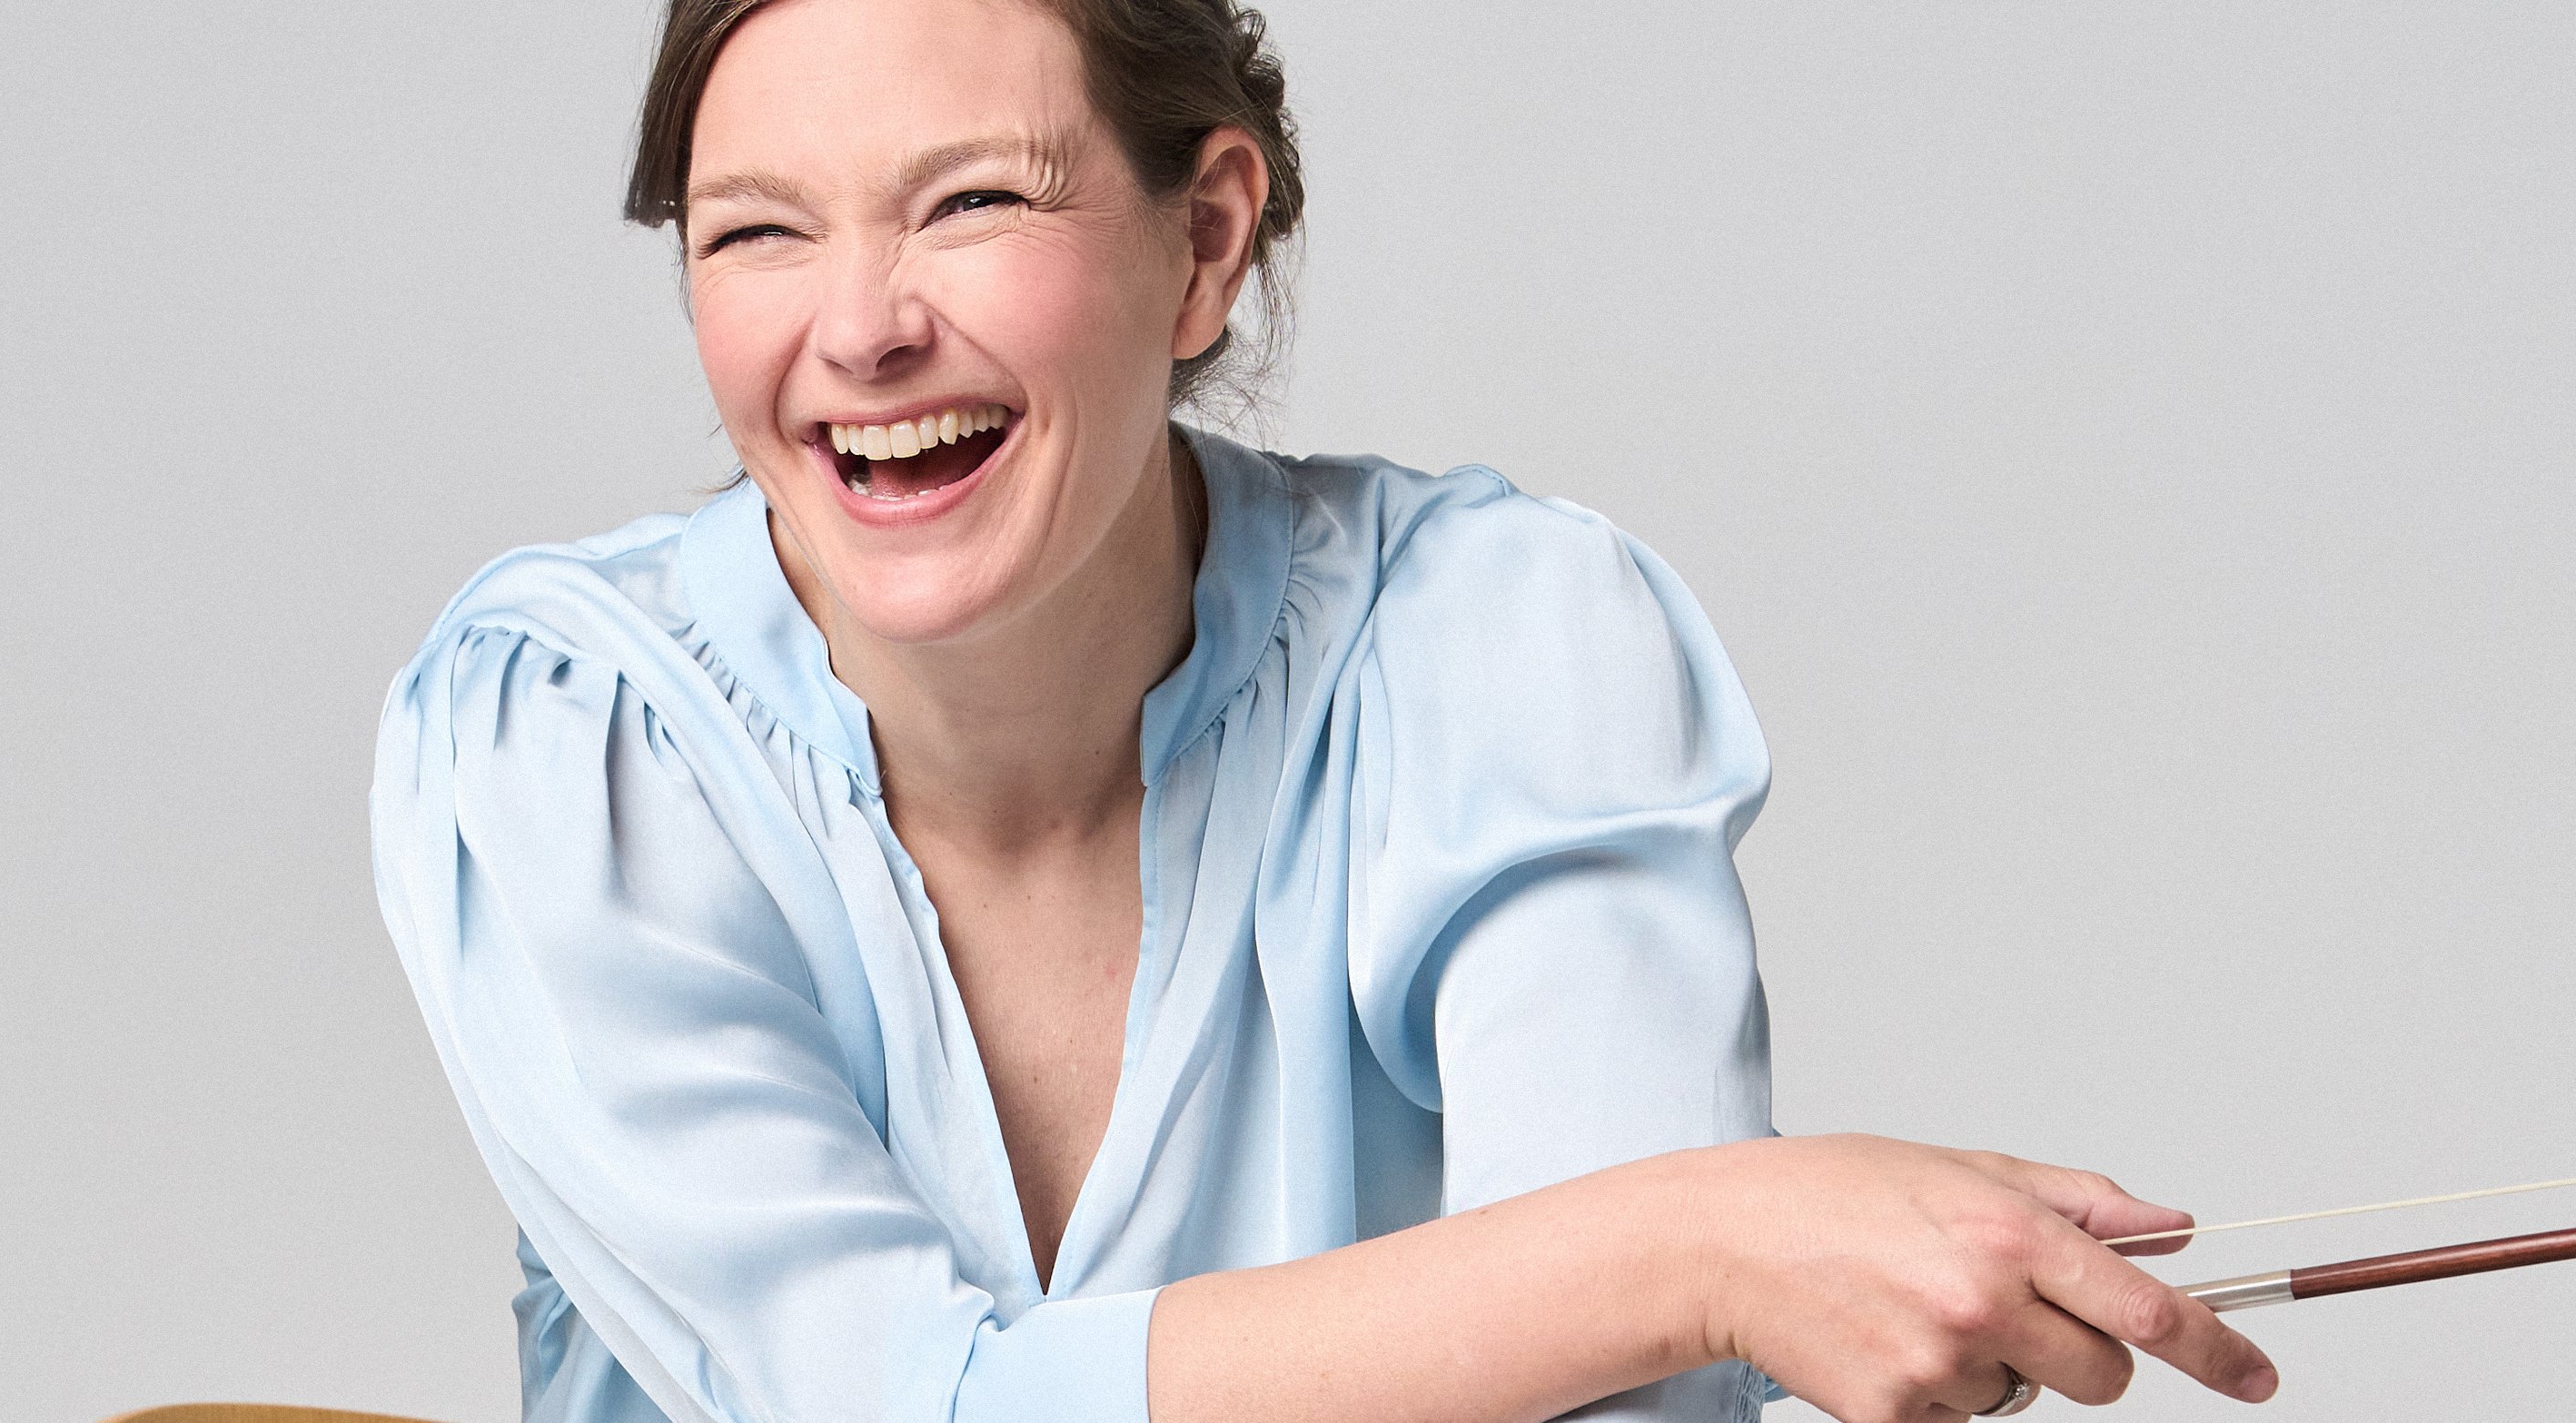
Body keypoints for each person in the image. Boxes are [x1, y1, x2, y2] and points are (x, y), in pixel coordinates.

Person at [368, 1, 2283, 1419]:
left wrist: (1705, 1274)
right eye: (757, 231)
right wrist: (1702, 1249)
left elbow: (1637, 1410)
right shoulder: (565, 736)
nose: (858, 328)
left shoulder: (1500, 640)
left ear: (1204, 239)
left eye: (966, 202)